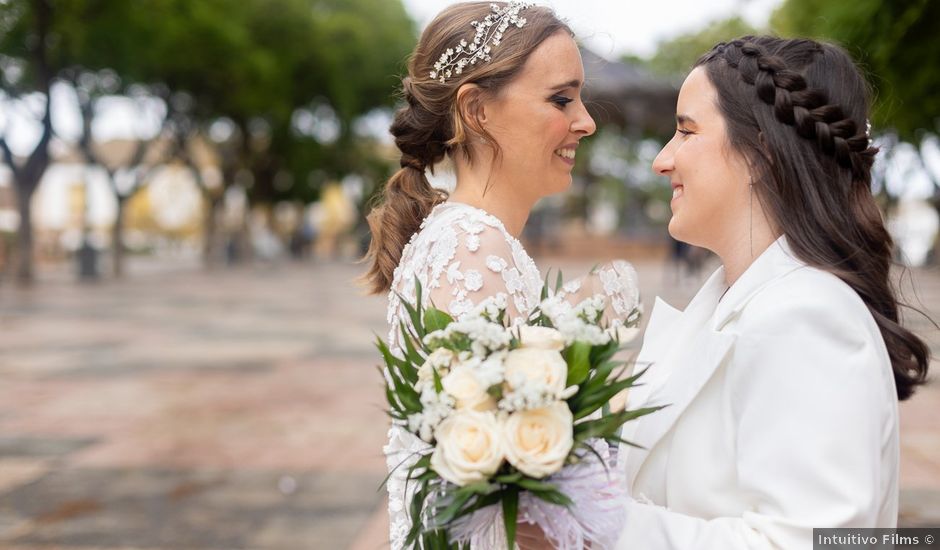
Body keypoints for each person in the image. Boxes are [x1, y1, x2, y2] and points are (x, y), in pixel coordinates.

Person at [610, 36, 931, 549]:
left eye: (685, 131)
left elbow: (810, 540)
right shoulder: (731, 302)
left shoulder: (805, 314)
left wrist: (596, 527)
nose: (662, 161)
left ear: (759, 152)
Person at [359, 3, 640, 548]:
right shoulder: (472, 249)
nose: (587, 121)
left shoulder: (469, 238)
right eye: (561, 99)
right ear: (477, 110)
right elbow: (501, 505)